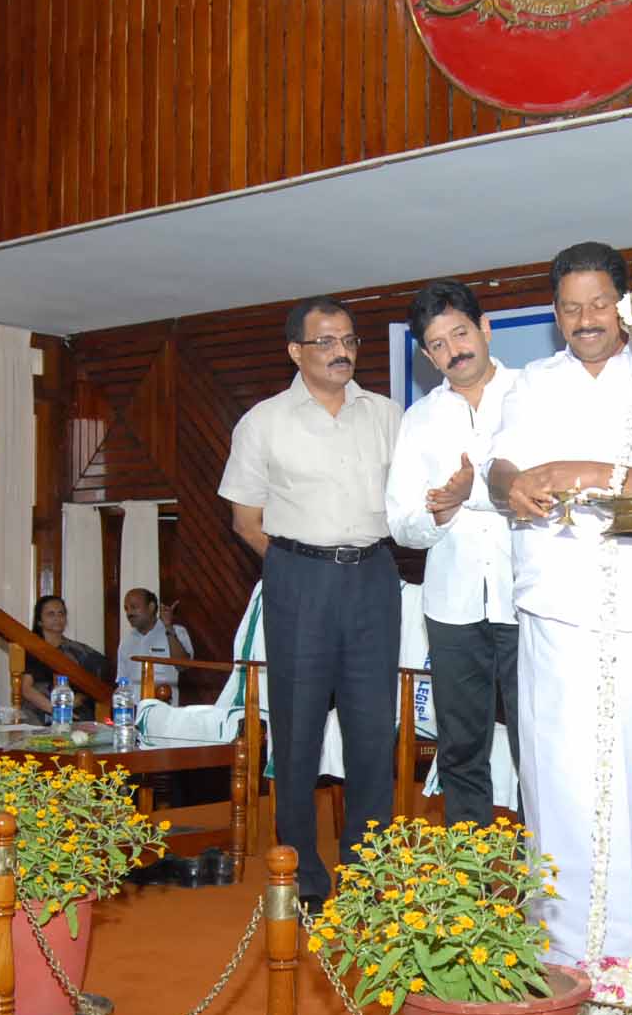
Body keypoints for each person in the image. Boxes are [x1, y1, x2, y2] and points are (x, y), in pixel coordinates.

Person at [488, 241, 632, 966]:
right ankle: (565, 953)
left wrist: (586, 472)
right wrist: (511, 486)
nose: (584, 319)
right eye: (569, 308)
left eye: (597, 305)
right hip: (553, 608)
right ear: (555, 315)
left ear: (624, 307)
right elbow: (501, 468)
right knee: (558, 782)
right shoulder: (531, 383)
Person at [218, 295, 402, 909]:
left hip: (374, 577)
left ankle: (368, 873)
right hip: (299, 579)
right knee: (296, 731)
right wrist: (300, 563)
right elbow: (246, 522)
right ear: (296, 351)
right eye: (325, 342)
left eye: (349, 340)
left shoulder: (387, 415)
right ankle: (302, 876)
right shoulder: (263, 422)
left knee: (373, 731)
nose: (340, 352)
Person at [385, 279, 522, 827]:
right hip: (452, 607)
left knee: (539, 744)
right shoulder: (418, 419)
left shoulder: (532, 394)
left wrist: (473, 494)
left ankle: (549, 866)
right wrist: (441, 513)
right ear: (426, 356)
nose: (454, 351)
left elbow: (547, 492)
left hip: (528, 599)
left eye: (461, 334)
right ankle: (469, 864)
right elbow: (402, 524)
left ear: (485, 329)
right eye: (438, 344)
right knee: (461, 748)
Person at [19, 595, 113, 723]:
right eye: (51, 614)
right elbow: (26, 689)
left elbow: (98, 678)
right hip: (40, 708)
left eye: (61, 613)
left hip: (73, 707)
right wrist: (57, 711)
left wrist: (78, 698)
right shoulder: (34, 649)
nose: (57, 618)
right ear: (39, 621)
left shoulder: (78, 650)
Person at [115, 588, 191, 701]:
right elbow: (122, 681)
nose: (129, 613)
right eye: (126, 609)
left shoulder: (176, 631)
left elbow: (183, 666)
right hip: (133, 708)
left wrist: (168, 628)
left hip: (164, 706)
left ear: (151, 607)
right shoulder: (126, 641)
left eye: (134, 607)